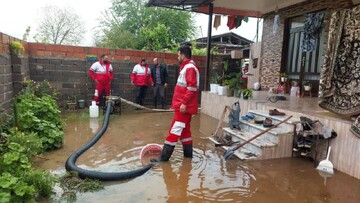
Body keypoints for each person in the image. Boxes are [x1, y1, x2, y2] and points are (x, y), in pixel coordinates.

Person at [151, 45, 200, 162]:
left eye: (178, 55)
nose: (177, 57)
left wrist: (183, 103)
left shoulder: (189, 68)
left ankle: (163, 159)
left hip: (184, 108)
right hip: (183, 107)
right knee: (185, 133)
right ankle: (188, 158)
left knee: (174, 130)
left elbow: (192, 88)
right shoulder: (187, 68)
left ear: (183, 55)